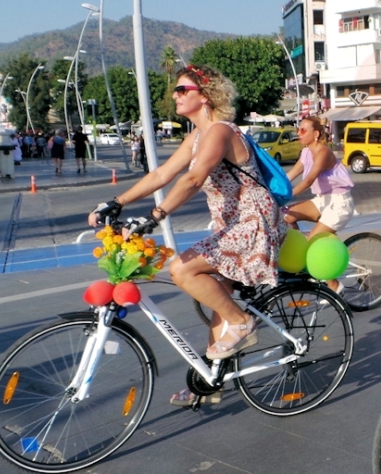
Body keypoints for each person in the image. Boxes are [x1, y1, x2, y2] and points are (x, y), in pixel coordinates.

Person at [89, 64, 286, 406]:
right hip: (229, 222)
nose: (175, 95)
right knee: (216, 299)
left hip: (253, 221)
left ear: (206, 95)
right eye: (176, 90)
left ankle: (242, 322)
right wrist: (116, 201)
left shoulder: (221, 132)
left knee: (181, 268)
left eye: (183, 90)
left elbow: (194, 179)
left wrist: (156, 215)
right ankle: (209, 383)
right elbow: (164, 173)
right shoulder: (195, 136)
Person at [283, 116, 355, 294]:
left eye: (303, 130)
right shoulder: (306, 152)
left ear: (315, 134)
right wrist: (271, 189)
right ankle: (302, 258)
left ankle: (334, 285)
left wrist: (285, 196)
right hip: (322, 200)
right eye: (298, 130)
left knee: (311, 245)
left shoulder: (323, 153)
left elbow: (308, 180)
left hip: (339, 203)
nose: (298, 134)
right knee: (287, 215)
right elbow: (290, 175)